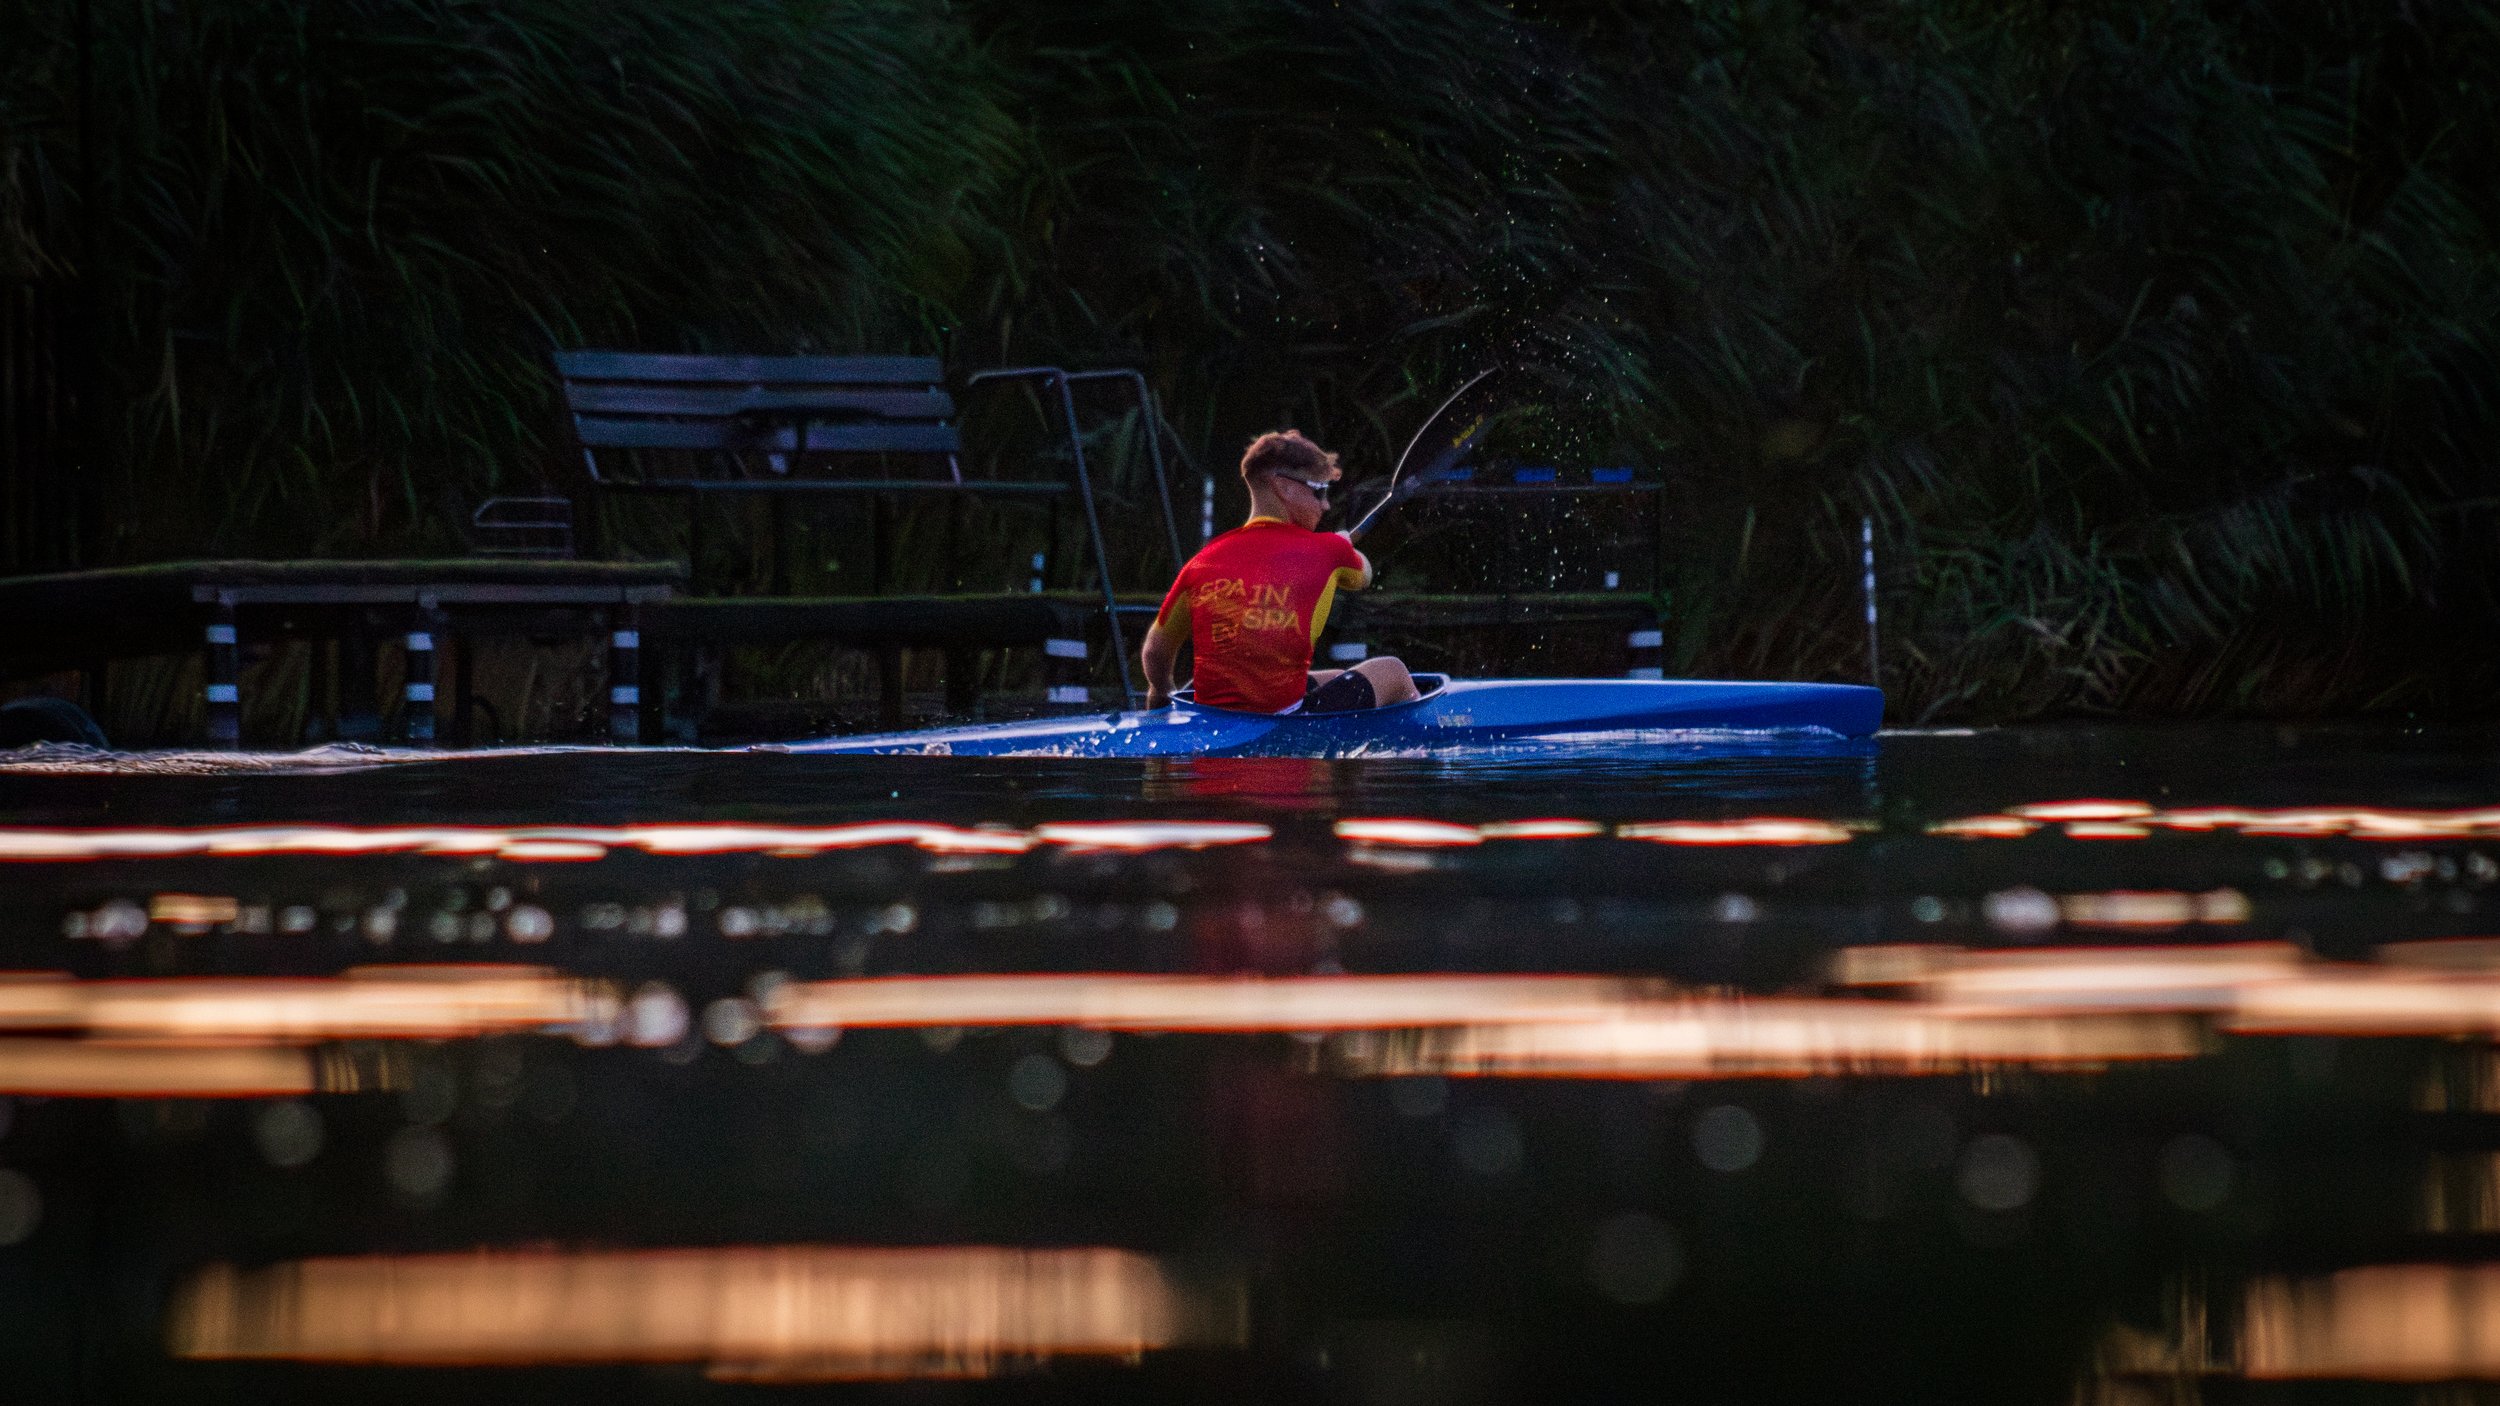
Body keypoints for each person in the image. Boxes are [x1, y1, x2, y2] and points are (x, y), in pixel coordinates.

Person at [1141, 429, 1422, 713]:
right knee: (1393, 670)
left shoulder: (1201, 561)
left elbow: (1155, 650)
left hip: (1214, 716)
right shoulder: (1329, 551)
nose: (1325, 505)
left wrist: (1162, 692)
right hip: (1283, 720)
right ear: (1283, 487)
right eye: (1318, 490)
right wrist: (1343, 546)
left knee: (1335, 677)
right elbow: (1365, 575)